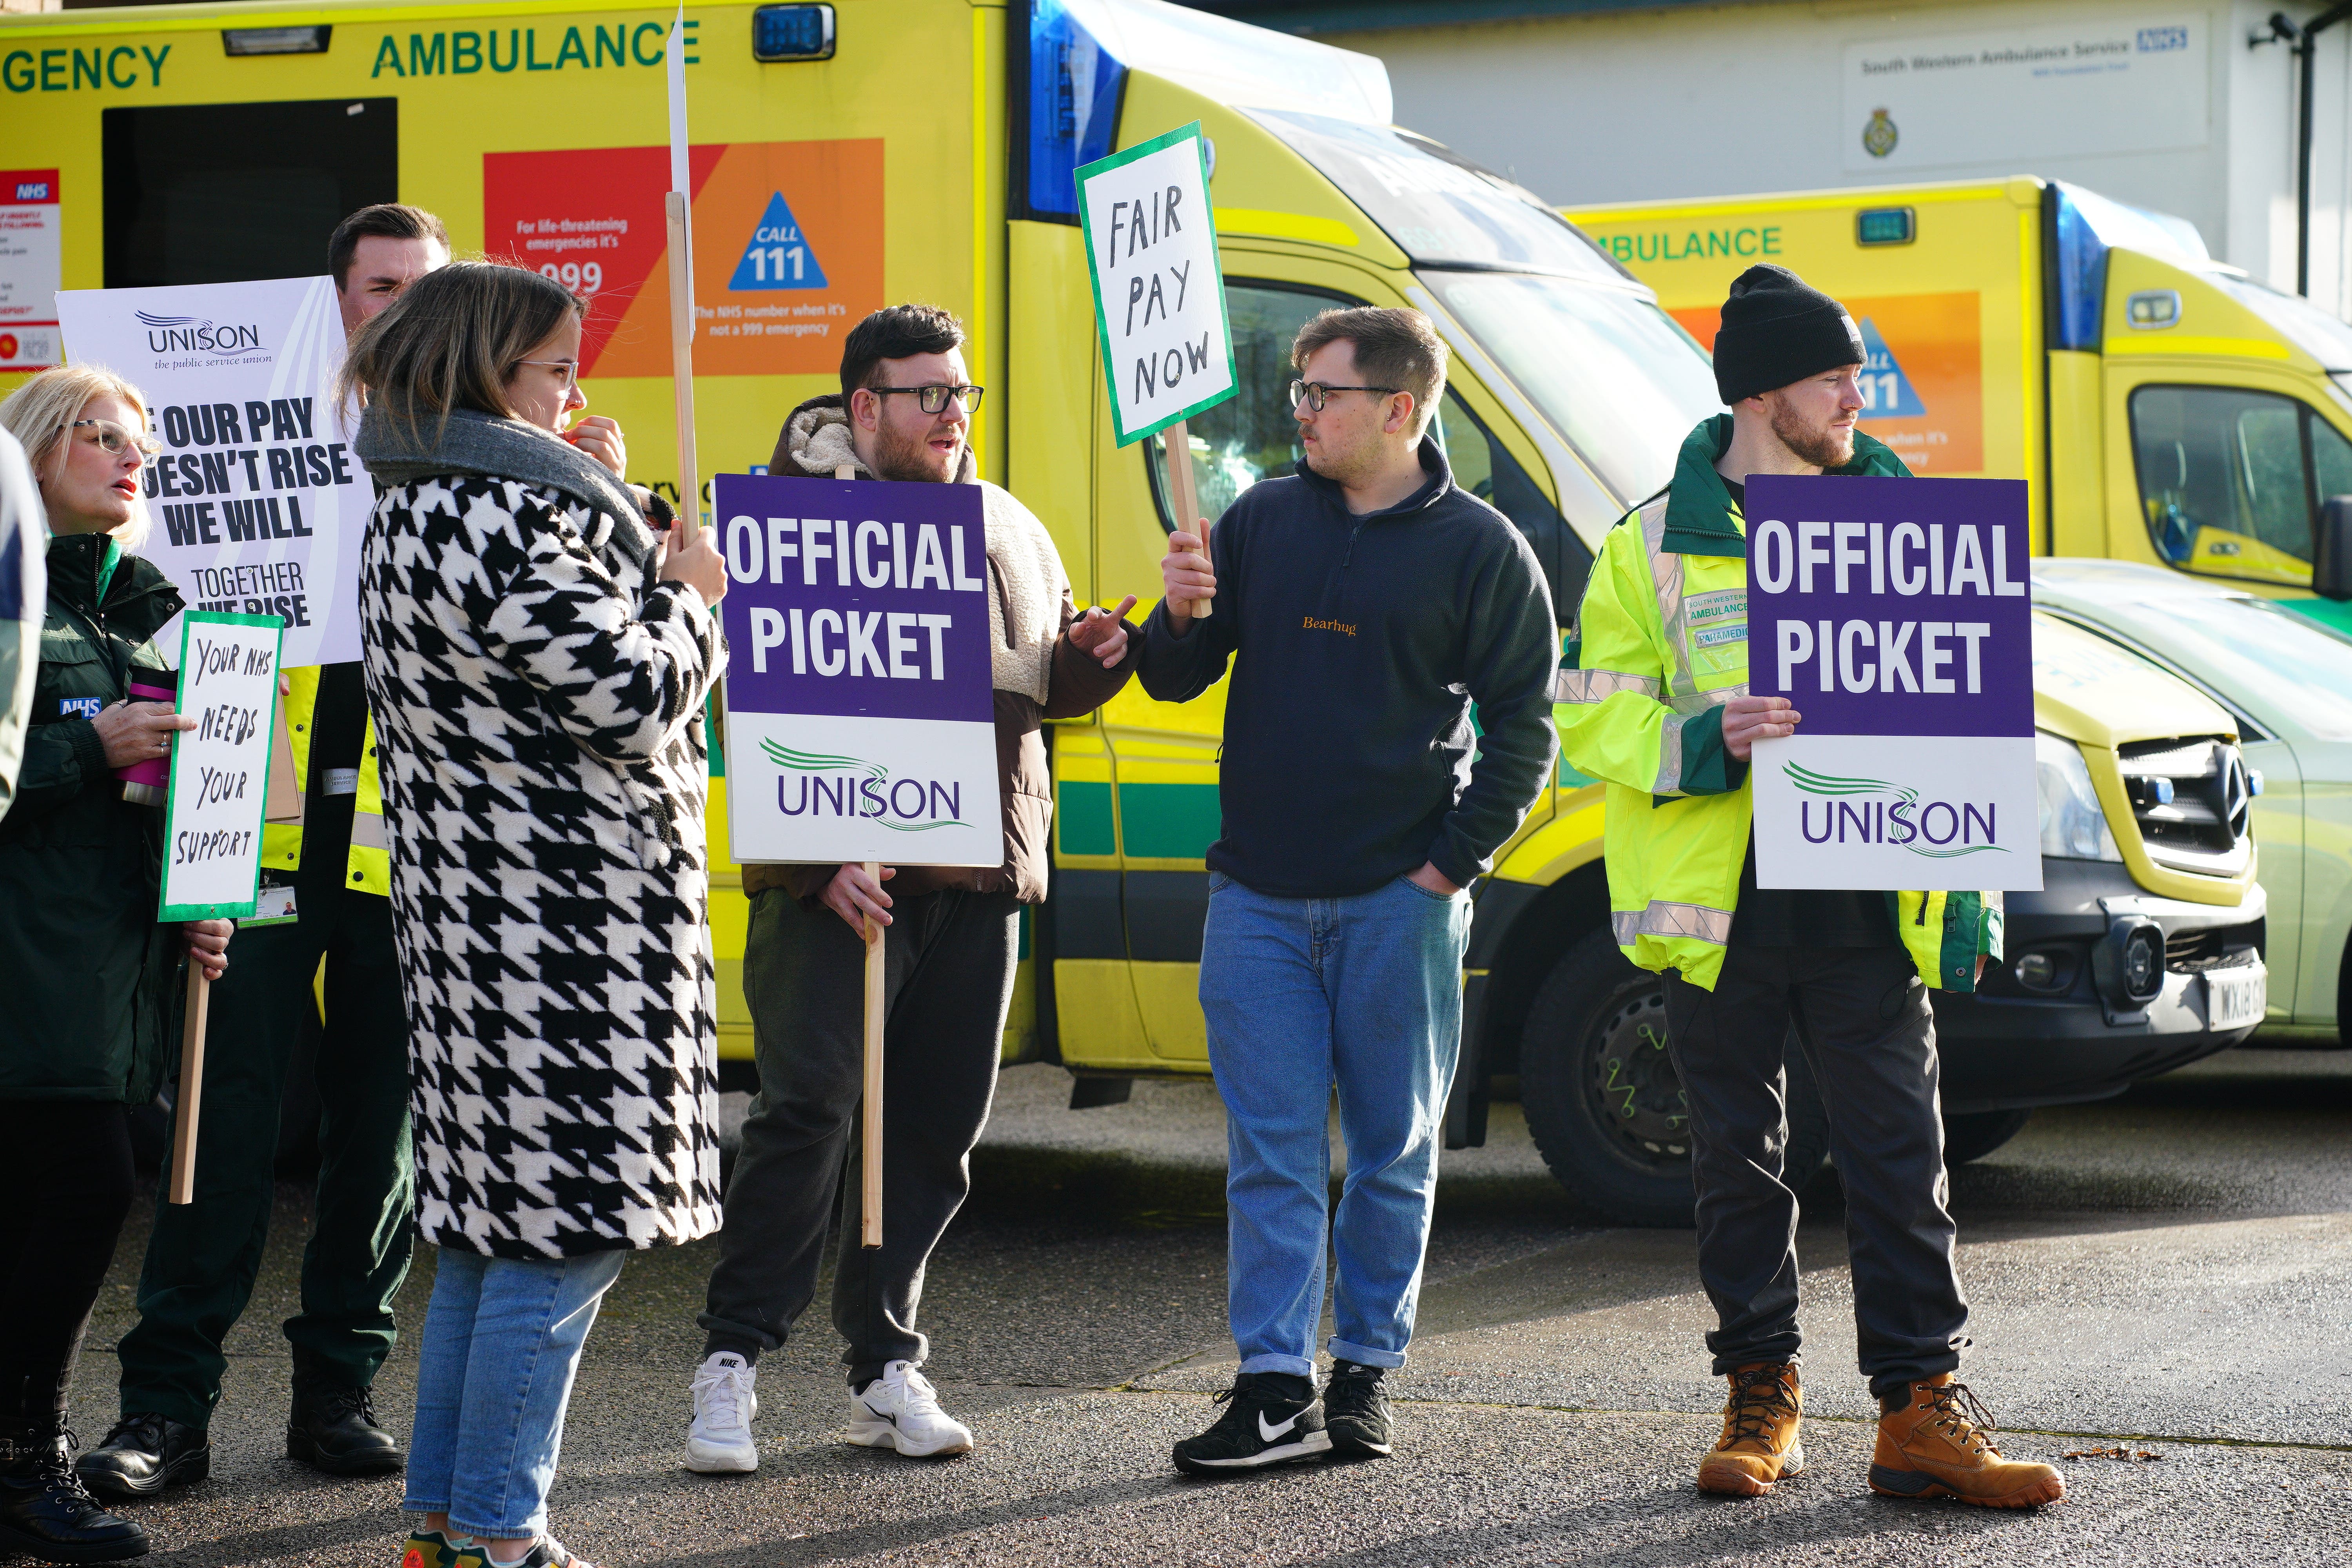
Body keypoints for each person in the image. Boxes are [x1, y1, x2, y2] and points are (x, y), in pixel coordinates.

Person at [1557, 263, 2065, 1508]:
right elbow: (1586, 718)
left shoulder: (1911, 527)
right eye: (1833, 373)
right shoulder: (1646, 545)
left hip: (1870, 902)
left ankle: (1917, 1410)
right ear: (1761, 391)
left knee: (1901, 1158)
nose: (1856, 391)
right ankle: (1758, 1396)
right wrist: (1697, 736)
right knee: (1738, 1161)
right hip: (1720, 907)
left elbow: (1966, 717)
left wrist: (1975, 885)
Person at [682, 303, 1139, 1473]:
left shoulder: (1007, 525)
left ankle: (884, 1360)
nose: (949, 413)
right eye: (925, 392)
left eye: (961, 393)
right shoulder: (786, 521)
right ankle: (730, 1361)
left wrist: (1087, 659)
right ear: (862, 406)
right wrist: (807, 856)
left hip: (975, 878)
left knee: (933, 1130)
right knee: (812, 1112)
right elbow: (746, 711)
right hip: (836, 888)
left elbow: (1033, 691)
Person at [345, 259, 727, 1568]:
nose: (575, 393)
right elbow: (627, 697)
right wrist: (689, 598)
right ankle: (503, 1532)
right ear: (482, 372)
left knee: (491, 1235)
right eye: (554, 369)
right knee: (568, 1236)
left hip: (485, 930)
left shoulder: (414, 505)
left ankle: (444, 1523)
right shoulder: (500, 516)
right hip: (562, 932)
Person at [86, 201, 469, 1503]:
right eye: (381, 287)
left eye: (427, 286)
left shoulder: (479, 453)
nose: (406, 307)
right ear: (338, 300)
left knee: (382, 1129)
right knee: (219, 1109)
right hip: (244, 809)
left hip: (403, 842)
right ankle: (163, 1410)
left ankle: (339, 1394)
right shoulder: (254, 415)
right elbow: (148, 607)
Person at [1141, 307, 1558, 1474]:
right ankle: (1272, 1383)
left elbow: (1525, 725)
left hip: (1397, 900)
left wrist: (1446, 866)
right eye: (1297, 395)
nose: (1301, 414)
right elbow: (1175, 676)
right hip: (1257, 898)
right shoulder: (1264, 518)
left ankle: (1362, 1368)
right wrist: (1171, 613)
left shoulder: (1480, 548)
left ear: (1398, 408)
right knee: (1270, 1148)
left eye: (1320, 394)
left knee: (1391, 1145)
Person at [0, 366, 233, 1562]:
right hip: (29, 959)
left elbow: (165, 793)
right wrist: (84, 746)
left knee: (55, 1197)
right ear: (36, 454)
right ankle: (25, 1458)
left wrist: (196, 896)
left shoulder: (142, 598)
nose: (128, 457)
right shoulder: (9, 588)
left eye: (140, 442)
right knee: (88, 1184)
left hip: (116, 961)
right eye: (99, 436)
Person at [0, 426, 44, 808]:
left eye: (144, 445)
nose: (135, 458)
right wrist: (94, 744)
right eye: (108, 439)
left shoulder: (153, 609)